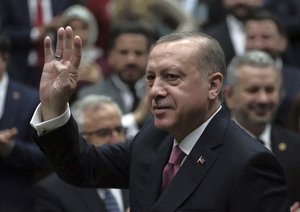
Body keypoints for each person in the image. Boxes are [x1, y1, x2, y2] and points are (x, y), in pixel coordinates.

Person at [30, 26, 290, 211]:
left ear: (213, 86)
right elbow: (82, 167)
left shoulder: (250, 163)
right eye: (151, 78)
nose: (155, 91)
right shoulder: (153, 139)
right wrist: (54, 106)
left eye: (172, 77)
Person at [223, 50, 300, 210]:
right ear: (229, 96)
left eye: (270, 90)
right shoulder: (209, 147)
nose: (263, 99)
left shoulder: (296, 147)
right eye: (253, 90)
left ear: (281, 94)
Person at [34, 95, 129, 212]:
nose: (117, 140)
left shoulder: (138, 178)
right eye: (104, 133)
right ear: (79, 139)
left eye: (119, 130)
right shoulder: (52, 192)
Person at [0, 33, 50, 211]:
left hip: (14, 200)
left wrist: (10, 148)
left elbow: (46, 156)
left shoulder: (29, 100)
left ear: (4, 58)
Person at [79, 18, 156, 129]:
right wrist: (136, 117)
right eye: (124, 52)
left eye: (138, 53)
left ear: (149, 55)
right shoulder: (90, 96)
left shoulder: (160, 94)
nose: (131, 60)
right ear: (110, 56)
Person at [244, 9, 300, 129]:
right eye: (251, 38)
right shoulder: (229, 81)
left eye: (266, 37)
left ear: (282, 42)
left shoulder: (298, 81)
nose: (258, 45)